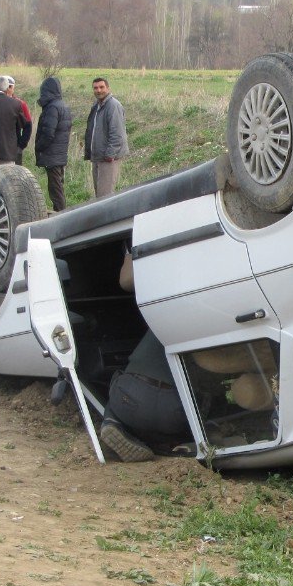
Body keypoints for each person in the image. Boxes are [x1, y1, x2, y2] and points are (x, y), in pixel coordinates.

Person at [98, 248, 195, 462]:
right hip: (175, 410)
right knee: (196, 405)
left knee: (118, 380)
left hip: (131, 397)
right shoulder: (202, 319)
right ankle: (172, 442)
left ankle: (112, 422)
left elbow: (126, 281)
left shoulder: (160, 315)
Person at [83, 77, 128, 198]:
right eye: (95, 88)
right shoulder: (96, 106)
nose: (98, 90)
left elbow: (117, 134)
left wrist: (109, 155)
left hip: (108, 159)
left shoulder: (113, 106)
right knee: (99, 195)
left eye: (101, 87)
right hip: (97, 157)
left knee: (105, 196)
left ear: (108, 88)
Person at [34, 77, 73, 212]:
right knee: (58, 187)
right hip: (60, 154)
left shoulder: (52, 108)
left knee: (55, 189)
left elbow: (48, 133)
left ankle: (60, 214)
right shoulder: (63, 106)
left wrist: (39, 147)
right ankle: (60, 212)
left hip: (52, 155)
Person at [5, 76, 32, 165]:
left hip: (14, 147)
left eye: (10, 87)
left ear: (13, 88)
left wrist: (21, 145)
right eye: (6, 86)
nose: (8, 89)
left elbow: (28, 125)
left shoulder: (20, 104)